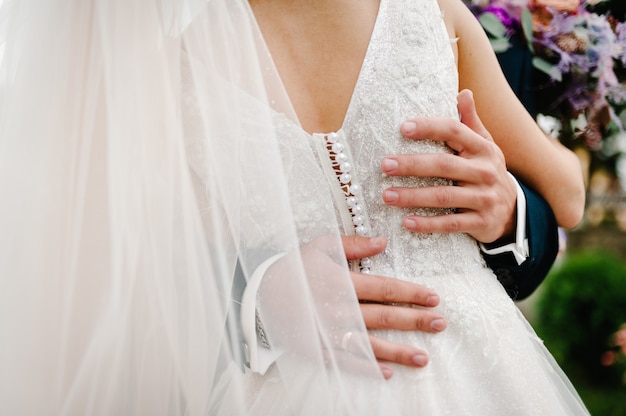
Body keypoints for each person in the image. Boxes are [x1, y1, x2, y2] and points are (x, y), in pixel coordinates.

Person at [0, 0, 588, 415]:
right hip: (289, 383)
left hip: (484, 379)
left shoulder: (433, 15)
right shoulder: (167, 71)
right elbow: (113, 279)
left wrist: (503, 197)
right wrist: (258, 296)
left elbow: (567, 191)